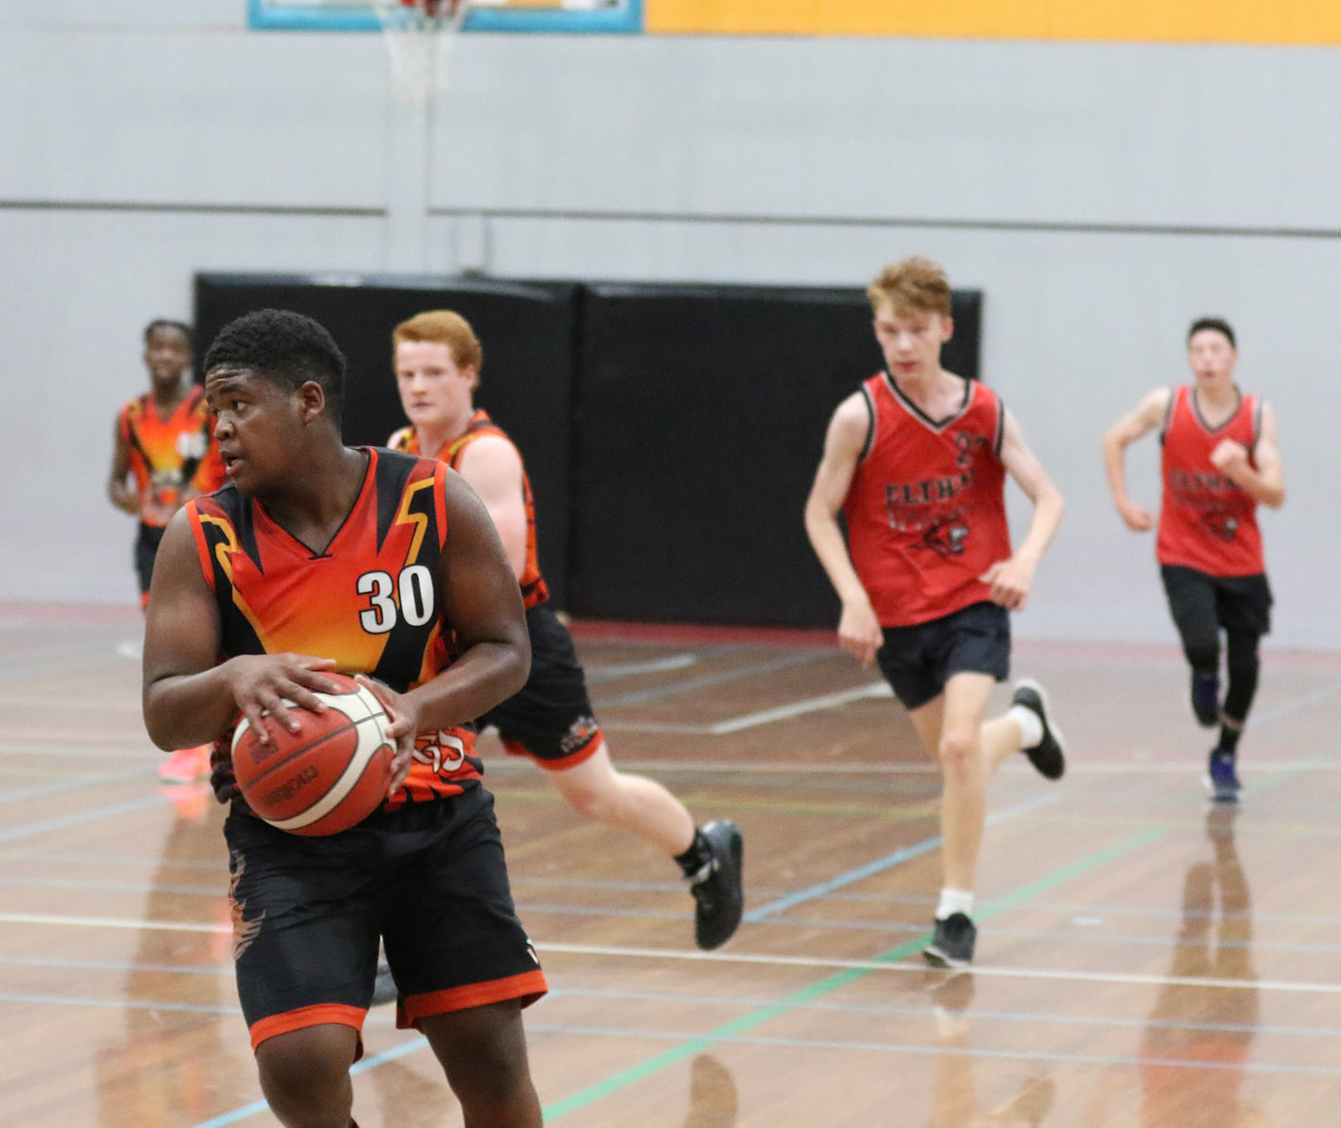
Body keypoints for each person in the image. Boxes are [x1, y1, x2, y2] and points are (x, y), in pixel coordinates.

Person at [142, 309, 546, 1128]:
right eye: (214, 410)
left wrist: (416, 710)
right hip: (289, 834)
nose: (220, 428)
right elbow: (163, 711)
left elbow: (508, 649)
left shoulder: (430, 498)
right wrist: (234, 675)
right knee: (299, 1063)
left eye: (239, 405)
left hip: (438, 818)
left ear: (308, 401)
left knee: (488, 1057)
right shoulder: (204, 534)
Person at [388, 310, 745, 952]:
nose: (418, 387)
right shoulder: (400, 447)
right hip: (444, 644)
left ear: (468, 373)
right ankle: (408, 941)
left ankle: (703, 855)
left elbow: (496, 566)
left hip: (513, 643)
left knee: (594, 794)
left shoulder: (486, 453)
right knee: (411, 785)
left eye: (434, 372)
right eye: (407, 373)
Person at [803, 257, 1067, 969]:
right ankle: (1025, 726)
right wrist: (854, 597)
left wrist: (1024, 561)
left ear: (946, 329)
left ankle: (956, 913)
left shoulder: (983, 411)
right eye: (890, 330)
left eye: (917, 330)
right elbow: (819, 513)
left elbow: (1049, 496)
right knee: (959, 760)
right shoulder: (859, 416)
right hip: (896, 617)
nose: (903, 344)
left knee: (956, 748)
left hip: (975, 599)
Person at [1102, 318, 1284, 803]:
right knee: (1203, 644)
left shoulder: (1257, 415)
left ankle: (1225, 754)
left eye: (1216, 349)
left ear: (1234, 358)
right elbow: (1114, 439)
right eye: (1198, 350)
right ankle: (1204, 673)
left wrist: (1241, 471)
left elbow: (1276, 494)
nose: (1207, 359)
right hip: (1183, 552)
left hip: (1242, 560)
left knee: (1245, 668)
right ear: (1189, 359)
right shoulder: (1167, 405)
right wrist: (1122, 502)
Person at [108, 318, 224, 784]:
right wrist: (134, 502)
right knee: (170, 645)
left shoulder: (209, 411)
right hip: (153, 541)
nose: (166, 357)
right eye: (158, 348)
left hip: (203, 535)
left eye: (175, 349)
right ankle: (191, 745)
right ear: (145, 354)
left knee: (205, 641)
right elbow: (116, 483)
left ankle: (208, 741)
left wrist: (206, 499)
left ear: (188, 357)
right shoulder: (131, 416)